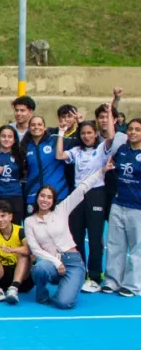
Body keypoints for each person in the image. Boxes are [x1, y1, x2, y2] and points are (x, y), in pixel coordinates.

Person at [27, 166, 109, 309]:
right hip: (52, 262)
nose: (45, 200)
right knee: (39, 268)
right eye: (42, 196)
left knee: (64, 303)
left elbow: (82, 188)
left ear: (53, 200)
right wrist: (57, 263)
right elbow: (35, 249)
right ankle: (41, 291)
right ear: (37, 198)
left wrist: (101, 171)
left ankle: (67, 285)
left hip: (72, 262)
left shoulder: (62, 210)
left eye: (49, 197)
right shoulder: (30, 221)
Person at [56, 112, 117, 293]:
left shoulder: (102, 149)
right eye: (83, 133)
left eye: (90, 133)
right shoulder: (77, 151)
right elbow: (59, 155)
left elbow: (111, 137)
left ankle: (95, 275)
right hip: (78, 194)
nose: (86, 136)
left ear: (96, 134)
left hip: (96, 193)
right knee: (76, 235)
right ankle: (79, 271)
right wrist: (61, 132)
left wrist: (109, 112)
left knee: (95, 236)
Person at [104, 118, 141, 297]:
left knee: (137, 247)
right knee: (115, 244)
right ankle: (112, 281)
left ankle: (133, 284)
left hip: (138, 207)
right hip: (118, 203)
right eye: (131, 129)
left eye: (137, 130)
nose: (133, 132)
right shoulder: (123, 150)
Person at [23, 116, 71, 212]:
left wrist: (78, 123)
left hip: (58, 193)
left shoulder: (56, 140)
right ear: (28, 128)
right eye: (33, 125)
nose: (36, 127)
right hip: (33, 195)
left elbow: (80, 140)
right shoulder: (24, 146)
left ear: (45, 127)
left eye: (39, 124)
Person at [0, 125, 27, 225]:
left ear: (14, 139)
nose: (6, 139)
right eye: (3, 136)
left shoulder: (20, 154)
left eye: (10, 137)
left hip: (15, 195)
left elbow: (23, 173)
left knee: (15, 228)